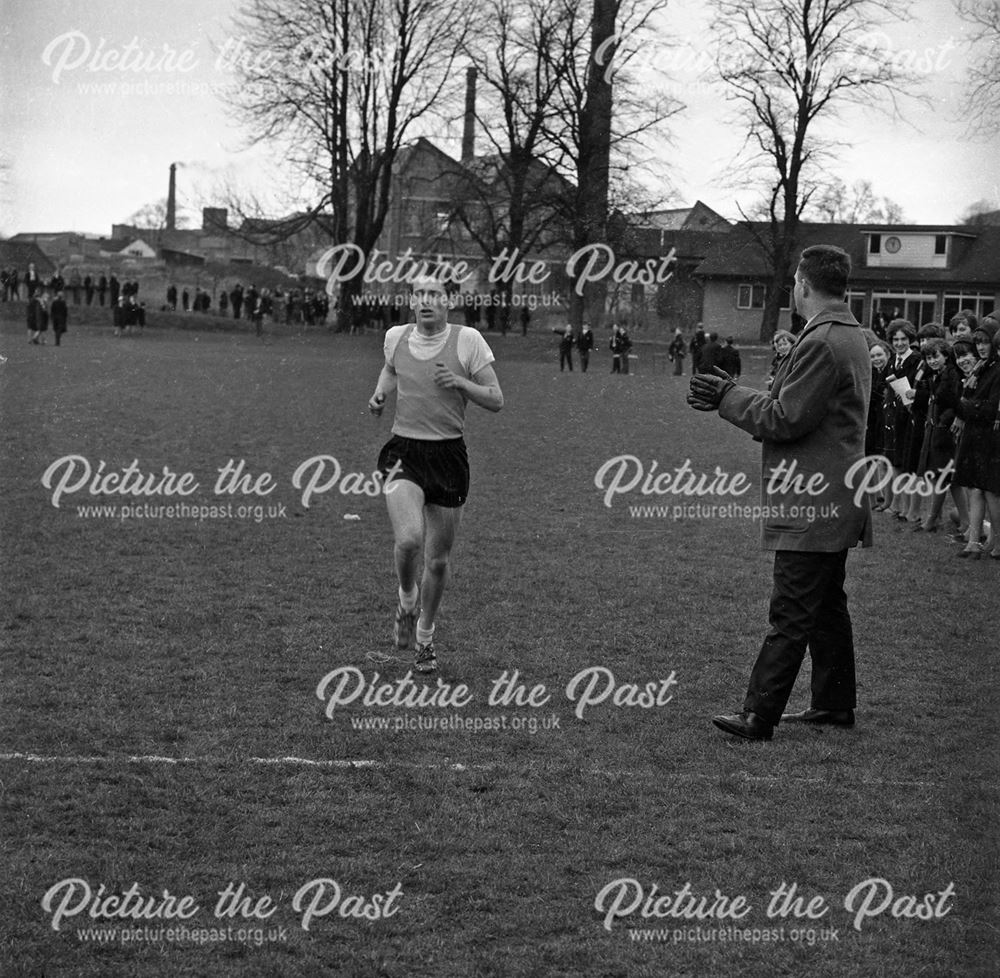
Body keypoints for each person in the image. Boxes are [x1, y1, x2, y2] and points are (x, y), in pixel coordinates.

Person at [688, 244, 872, 741]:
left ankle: (758, 716)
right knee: (826, 605)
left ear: (804, 284)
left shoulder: (822, 341)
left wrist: (728, 396)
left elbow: (785, 418)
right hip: (835, 496)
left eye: (794, 280)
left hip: (813, 500)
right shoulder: (847, 334)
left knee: (791, 609)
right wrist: (744, 392)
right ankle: (833, 704)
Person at [368, 276, 504, 673]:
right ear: (412, 302)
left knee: (438, 560)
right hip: (403, 452)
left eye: (435, 295)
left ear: (449, 302)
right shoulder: (396, 337)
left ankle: (424, 637)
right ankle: (406, 598)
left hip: (448, 456)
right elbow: (391, 371)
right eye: (420, 295)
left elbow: (496, 400)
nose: (426, 301)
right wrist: (380, 395)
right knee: (409, 540)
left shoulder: (468, 341)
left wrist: (459, 382)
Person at [952, 318, 1000, 559]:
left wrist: (965, 406)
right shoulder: (981, 367)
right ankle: (973, 540)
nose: (981, 347)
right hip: (974, 434)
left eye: (985, 342)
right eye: (977, 342)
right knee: (974, 489)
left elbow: (989, 407)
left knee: (989, 490)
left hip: (988, 437)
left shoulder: (996, 369)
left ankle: (995, 542)